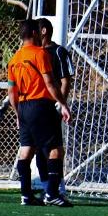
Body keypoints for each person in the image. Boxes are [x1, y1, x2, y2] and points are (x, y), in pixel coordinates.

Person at [7, 19, 73, 207]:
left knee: (26, 150)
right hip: (41, 105)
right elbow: (50, 83)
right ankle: (52, 193)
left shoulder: (14, 59)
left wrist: (18, 113)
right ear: (35, 33)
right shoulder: (40, 53)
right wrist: (63, 104)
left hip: (23, 106)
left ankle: (26, 195)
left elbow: (11, 92)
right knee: (55, 150)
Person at [34, 17, 74, 195]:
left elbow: (65, 81)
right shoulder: (34, 53)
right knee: (39, 149)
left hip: (52, 107)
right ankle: (46, 188)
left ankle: (58, 188)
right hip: (36, 107)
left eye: (35, 29)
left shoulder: (59, 52)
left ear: (43, 31)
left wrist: (60, 103)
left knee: (54, 149)